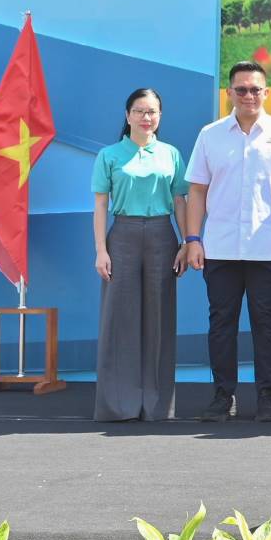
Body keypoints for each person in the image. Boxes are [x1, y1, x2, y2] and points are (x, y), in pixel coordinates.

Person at [183, 62, 271, 423]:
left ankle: (267, 394)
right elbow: (197, 190)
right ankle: (223, 395)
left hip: (268, 248)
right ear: (229, 94)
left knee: (266, 323)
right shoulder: (210, 135)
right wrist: (193, 239)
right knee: (221, 323)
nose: (248, 96)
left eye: (255, 89)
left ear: (266, 93)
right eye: (241, 89)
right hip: (220, 247)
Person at [90, 88, 189, 423]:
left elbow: (180, 202)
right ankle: (119, 404)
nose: (147, 118)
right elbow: (100, 205)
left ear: (160, 116)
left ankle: (157, 404)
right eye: (140, 111)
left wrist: (187, 242)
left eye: (153, 112)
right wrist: (101, 250)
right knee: (120, 318)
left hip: (163, 236)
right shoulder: (109, 155)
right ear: (128, 114)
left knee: (159, 317)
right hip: (123, 237)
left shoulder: (171, 154)